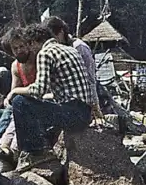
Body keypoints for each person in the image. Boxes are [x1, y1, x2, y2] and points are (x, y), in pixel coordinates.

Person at [5, 24, 96, 172]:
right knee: (37, 106)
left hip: (72, 114)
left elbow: (38, 90)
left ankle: (34, 152)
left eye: (29, 45)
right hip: (83, 112)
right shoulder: (70, 49)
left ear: (34, 43)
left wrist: (15, 91)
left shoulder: (45, 54)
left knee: (20, 102)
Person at [44, 16, 103, 119]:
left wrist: (95, 107)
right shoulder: (56, 51)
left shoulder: (79, 47)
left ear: (61, 32)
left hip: (81, 100)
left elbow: (90, 79)